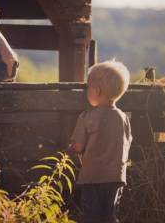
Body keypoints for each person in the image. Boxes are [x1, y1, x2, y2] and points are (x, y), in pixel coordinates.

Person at [67, 60, 133, 223]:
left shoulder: (87, 117)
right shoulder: (123, 118)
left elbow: (78, 146)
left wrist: (69, 149)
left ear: (96, 90)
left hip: (92, 177)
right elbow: (128, 141)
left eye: (88, 87)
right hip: (116, 176)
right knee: (110, 215)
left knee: (92, 216)